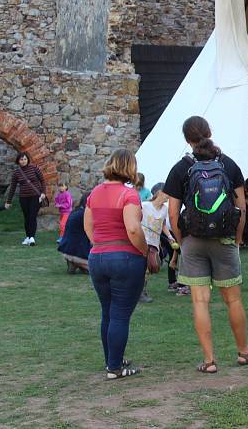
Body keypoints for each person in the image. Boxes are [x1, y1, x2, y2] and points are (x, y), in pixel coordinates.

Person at [164, 116, 248, 373]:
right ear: (210, 132)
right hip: (224, 239)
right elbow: (241, 207)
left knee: (200, 302)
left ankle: (209, 361)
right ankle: (244, 352)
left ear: (186, 139)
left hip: (193, 241)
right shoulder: (228, 165)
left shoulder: (180, 169)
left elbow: (173, 213)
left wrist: (181, 239)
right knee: (233, 300)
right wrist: (238, 238)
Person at [84, 149, 149, 379]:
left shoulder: (94, 193)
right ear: (129, 167)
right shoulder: (128, 195)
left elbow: (88, 226)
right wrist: (144, 252)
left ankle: (112, 359)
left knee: (108, 312)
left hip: (98, 256)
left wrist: (100, 244)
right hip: (124, 257)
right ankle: (115, 368)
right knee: (120, 314)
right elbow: (132, 228)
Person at [139, 183, 178, 303]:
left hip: (154, 242)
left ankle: (141, 291)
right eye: (167, 193)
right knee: (142, 268)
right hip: (142, 241)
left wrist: (170, 237)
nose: (169, 196)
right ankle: (140, 293)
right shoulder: (144, 206)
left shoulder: (164, 209)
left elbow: (163, 225)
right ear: (159, 192)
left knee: (151, 267)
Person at [4, 151, 46, 246]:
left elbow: (42, 181)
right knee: (27, 217)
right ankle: (28, 237)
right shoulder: (16, 173)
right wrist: (8, 201)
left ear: (28, 160)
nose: (23, 161)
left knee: (32, 216)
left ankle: (32, 237)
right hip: (23, 197)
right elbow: (13, 187)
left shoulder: (34, 169)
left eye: (25, 159)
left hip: (35, 196)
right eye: (21, 159)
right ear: (18, 161)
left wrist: (43, 193)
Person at [58, 192, 92, 273]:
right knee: (98, 270)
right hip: (75, 251)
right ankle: (76, 262)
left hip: (67, 249)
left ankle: (75, 263)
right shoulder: (85, 214)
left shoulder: (76, 212)